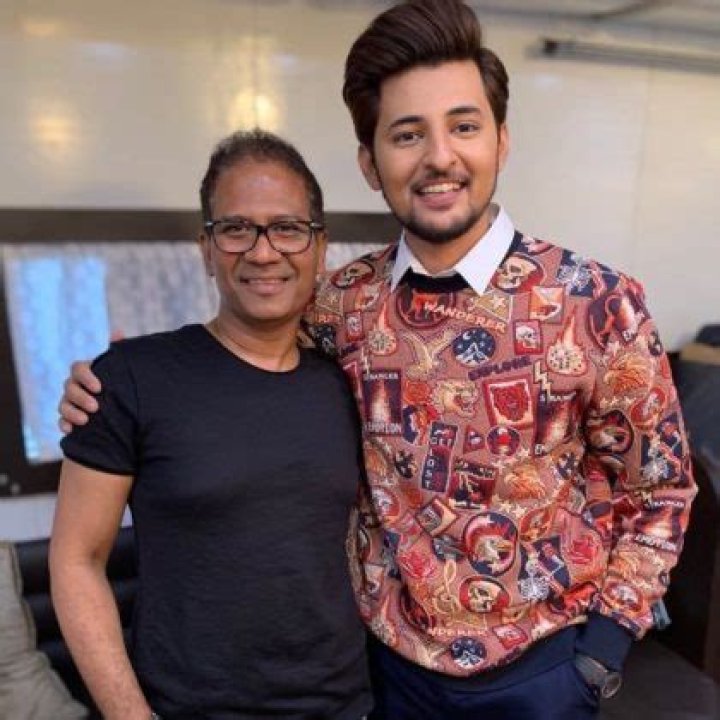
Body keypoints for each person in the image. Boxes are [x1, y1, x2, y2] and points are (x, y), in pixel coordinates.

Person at [59, 1, 696, 718]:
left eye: (464, 126)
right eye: (407, 134)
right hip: (380, 671)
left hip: (540, 672)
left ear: (501, 140)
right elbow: (236, 341)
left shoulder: (597, 302)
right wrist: (102, 387)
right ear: (370, 163)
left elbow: (662, 489)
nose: (439, 157)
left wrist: (601, 650)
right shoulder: (341, 304)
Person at [49, 130, 372, 720]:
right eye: (236, 228)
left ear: (319, 247)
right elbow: (75, 560)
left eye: (287, 228)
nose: (263, 252)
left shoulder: (349, 382)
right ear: (206, 249)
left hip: (347, 704)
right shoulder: (130, 378)